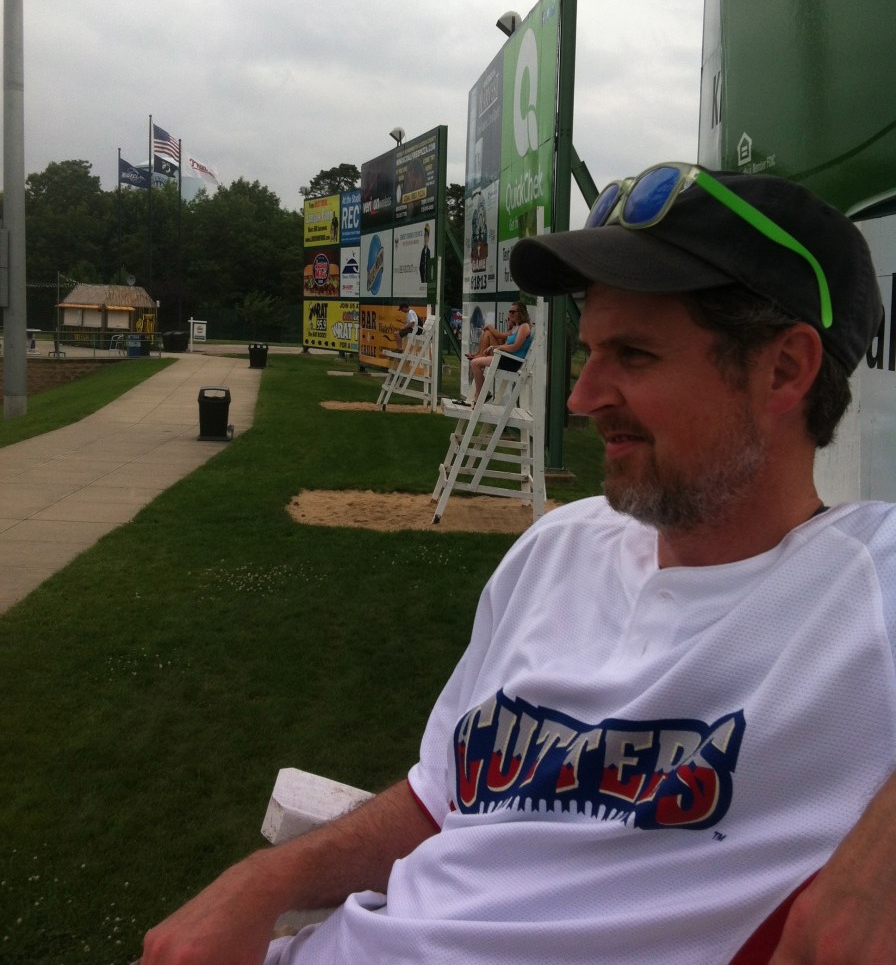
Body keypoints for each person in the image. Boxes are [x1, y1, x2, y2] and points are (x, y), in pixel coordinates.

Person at [141, 165, 896, 965]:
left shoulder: (863, 585)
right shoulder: (557, 547)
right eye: (591, 350)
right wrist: (266, 879)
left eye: (634, 356)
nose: (582, 397)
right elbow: (439, 798)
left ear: (785, 370)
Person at [465, 299, 532, 402]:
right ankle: (482, 394)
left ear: (521, 313)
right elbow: (507, 344)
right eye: (509, 311)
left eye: (513, 312)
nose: (510, 314)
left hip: (513, 362)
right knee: (475, 363)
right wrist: (499, 346)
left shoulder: (524, 326)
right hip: (506, 357)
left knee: (475, 363)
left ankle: (481, 395)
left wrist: (498, 347)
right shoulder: (516, 327)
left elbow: (515, 347)